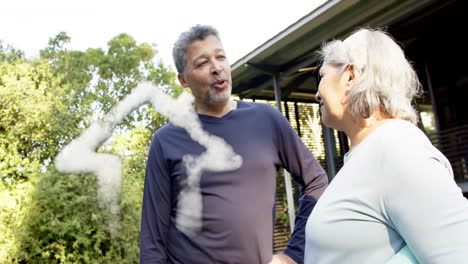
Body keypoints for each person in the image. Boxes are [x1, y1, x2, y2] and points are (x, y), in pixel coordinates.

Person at [140, 24, 328, 264]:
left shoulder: (266, 119)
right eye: (202, 63)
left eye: (220, 57)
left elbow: (317, 182)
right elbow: (152, 238)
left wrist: (293, 254)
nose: (217, 68)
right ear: (183, 80)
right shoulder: (165, 140)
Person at [305, 28, 468, 263]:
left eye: (322, 76)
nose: (317, 94)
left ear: (350, 76)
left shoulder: (399, 149)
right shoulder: (370, 152)